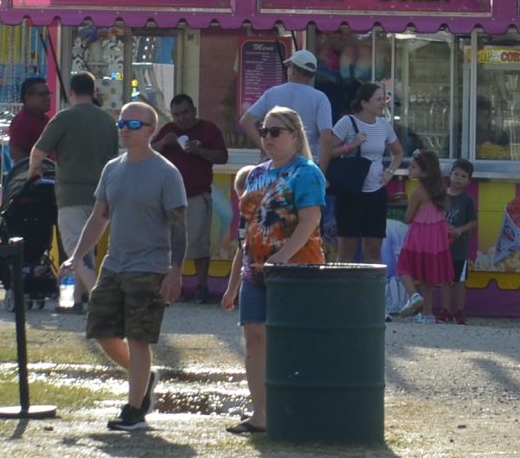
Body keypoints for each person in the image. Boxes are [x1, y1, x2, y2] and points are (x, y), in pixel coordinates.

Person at [63, 99, 186, 431]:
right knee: (101, 330)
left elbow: (178, 224)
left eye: (133, 125)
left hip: (150, 266)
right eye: (121, 124)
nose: (125, 130)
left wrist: (175, 271)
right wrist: (76, 255)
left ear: (150, 130)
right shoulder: (112, 168)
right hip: (113, 264)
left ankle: (134, 410)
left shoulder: (166, 172)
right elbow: (98, 217)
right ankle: (144, 379)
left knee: (138, 337)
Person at [220, 105, 326, 437]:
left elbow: (311, 220)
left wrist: (283, 256)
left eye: (275, 132)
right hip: (255, 270)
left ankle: (301, 410)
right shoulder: (255, 174)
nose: (268, 138)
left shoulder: (307, 172)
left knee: (294, 341)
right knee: (254, 339)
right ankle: (261, 414)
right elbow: (248, 230)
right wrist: (233, 283)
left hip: (296, 269)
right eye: (264, 131)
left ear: (295, 135)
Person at [29, 71, 119, 270]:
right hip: (102, 196)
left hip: (71, 196)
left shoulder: (64, 118)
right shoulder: (108, 121)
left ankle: (94, 295)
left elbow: (38, 153)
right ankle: (75, 298)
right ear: (94, 92)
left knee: (76, 254)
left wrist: (34, 172)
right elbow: (114, 159)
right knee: (87, 248)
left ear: (71, 92)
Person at [152, 93, 227, 301]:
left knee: (199, 241)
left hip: (197, 194)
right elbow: (147, 154)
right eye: (176, 115)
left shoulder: (208, 130)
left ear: (193, 111)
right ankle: (169, 284)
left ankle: (201, 286)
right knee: (167, 242)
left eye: (185, 113)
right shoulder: (168, 131)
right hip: (167, 197)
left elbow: (222, 157)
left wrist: (198, 150)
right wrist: (164, 143)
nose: (181, 119)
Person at [323, 81, 403, 264]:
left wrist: (390, 171)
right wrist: (351, 146)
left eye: (384, 99)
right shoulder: (347, 122)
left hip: (376, 193)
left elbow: (398, 152)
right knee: (346, 252)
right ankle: (343, 291)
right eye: (378, 99)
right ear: (364, 103)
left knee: (373, 252)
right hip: (351, 192)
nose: (383, 103)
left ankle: (370, 291)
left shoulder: (384, 125)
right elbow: (327, 150)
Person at [240, 49, 335, 168]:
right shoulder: (320, 98)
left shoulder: (272, 93)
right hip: (306, 166)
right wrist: (322, 173)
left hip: (276, 163)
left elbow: (246, 121)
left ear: (294, 70)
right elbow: (326, 138)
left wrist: (266, 147)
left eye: (289, 67)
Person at [394, 151, 455, 324]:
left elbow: (408, 217)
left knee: (403, 267)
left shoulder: (418, 192)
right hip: (436, 238)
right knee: (428, 276)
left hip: (418, 235)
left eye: (413, 167)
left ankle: (413, 295)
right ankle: (427, 314)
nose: (409, 169)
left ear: (425, 172)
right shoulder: (441, 189)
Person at [443, 159, 478, 323]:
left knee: (459, 280)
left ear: (469, 181)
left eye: (463, 176)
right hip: (441, 247)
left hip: (459, 248)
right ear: (450, 175)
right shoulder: (441, 197)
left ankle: (459, 311)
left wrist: (460, 230)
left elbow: (474, 222)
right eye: (456, 174)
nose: (458, 178)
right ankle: (445, 310)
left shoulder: (467, 200)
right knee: (444, 279)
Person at [8, 75, 50, 162]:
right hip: (32, 174)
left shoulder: (47, 120)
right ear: (28, 98)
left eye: (48, 93)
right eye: (42, 94)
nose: (48, 98)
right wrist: (35, 167)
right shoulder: (21, 121)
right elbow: (15, 152)